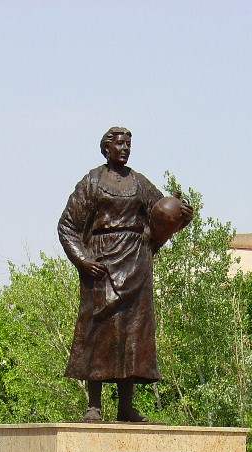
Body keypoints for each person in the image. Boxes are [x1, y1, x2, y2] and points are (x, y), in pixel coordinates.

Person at [58, 126, 192, 422]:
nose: (125, 148)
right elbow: (67, 226)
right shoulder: (92, 182)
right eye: (119, 143)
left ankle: (125, 406)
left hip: (136, 263)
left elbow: (162, 216)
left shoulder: (140, 183)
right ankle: (94, 405)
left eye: (129, 143)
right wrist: (82, 260)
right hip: (102, 265)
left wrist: (182, 216)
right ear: (106, 147)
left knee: (133, 333)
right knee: (99, 332)